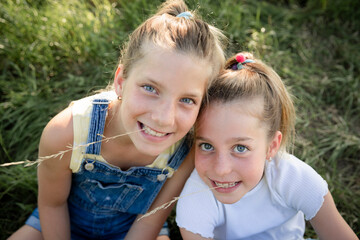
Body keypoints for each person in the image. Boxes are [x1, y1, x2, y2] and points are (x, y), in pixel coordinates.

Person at [8, 0, 226, 239]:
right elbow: (52, 205)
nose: (164, 118)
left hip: (134, 229)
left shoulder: (185, 151)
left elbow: (150, 218)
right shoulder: (66, 133)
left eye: (187, 100)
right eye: (150, 88)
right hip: (62, 221)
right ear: (121, 82)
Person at [175, 52, 358, 240]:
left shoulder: (295, 180)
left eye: (240, 148)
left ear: (272, 146)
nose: (221, 170)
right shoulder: (195, 199)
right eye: (207, 146)